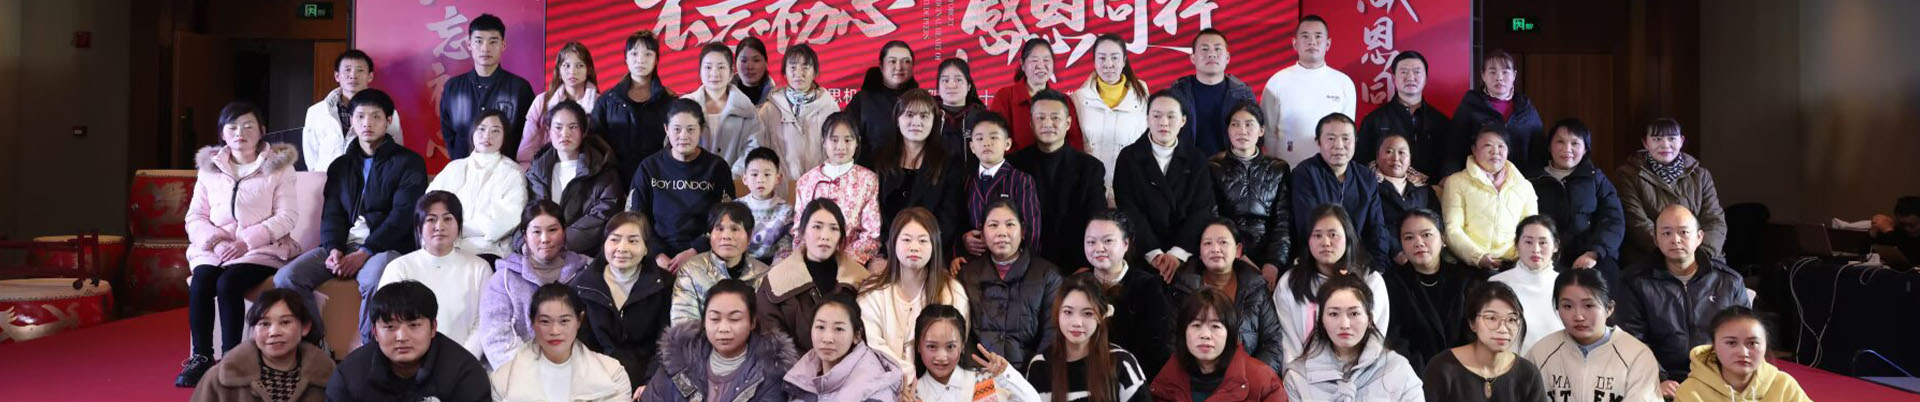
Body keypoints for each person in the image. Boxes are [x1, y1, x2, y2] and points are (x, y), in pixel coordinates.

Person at [273, 89, 426, 349]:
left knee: (375, 278)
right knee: (287, 277)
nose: (367, 123)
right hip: (344, 245)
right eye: (361, 116)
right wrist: (334, 248)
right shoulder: (341, 166)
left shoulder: (409, 163)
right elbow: (332, 214)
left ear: (388, 121)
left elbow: (402, 216)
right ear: (352, 122)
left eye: (376, 116)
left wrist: (366, 251)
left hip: (385, 247)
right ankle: (316, 345)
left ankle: (370, 350)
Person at [179, 102, 303, 387]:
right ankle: (201, 357)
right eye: (232, 127)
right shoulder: (209, 169)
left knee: (228, 283)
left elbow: (287, 216)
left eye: (248, 126)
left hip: (261, 248)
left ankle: (233, 358)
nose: (240, 133)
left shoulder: (280, 168)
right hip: (216, 248)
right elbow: (195, 216)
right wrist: (215, 241)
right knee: (202, 280)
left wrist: (247, 242)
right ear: (222, 133)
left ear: (262, 131)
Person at [1617, 205, 1751, 397]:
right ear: (1656, 239)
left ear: (1699, 237)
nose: (1675, 239)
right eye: (1667, 233)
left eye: (1683, 232)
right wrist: (1657, 379)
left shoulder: (1728, 281)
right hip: (1662, 380)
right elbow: (1632, 339)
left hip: (1719, 378)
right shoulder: (1634, 282)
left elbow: (1745, 336)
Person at [1113, 91, 1218, 282]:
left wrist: (1176, 254)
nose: (1164, 122)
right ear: (1147, 119)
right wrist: (1154, 254)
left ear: (1183, 120)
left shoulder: (1197, 159)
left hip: (1186, 254)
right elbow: (1128, 208)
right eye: (1156, 116)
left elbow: (1201, 209)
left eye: (1171, 116)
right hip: (1141, 251)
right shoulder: (1129, 157)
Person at [328, 281, 491, 401]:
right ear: (375, 332)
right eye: (390, 327)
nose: (402, 337)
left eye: (414, 325)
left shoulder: (463, 372)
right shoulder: (350, 375)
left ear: (433, 328)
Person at [641, 279, 799, 402]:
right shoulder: (678, 358)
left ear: (752, 322)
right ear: (704, 321)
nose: (723, 328)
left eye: (734, 319)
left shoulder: (772, 371)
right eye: (715, 319)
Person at [375, 191, 492, 356]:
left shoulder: (480, 268)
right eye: (431, 219)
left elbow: (484, 322)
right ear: (419, 226)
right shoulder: (399, 268)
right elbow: (386, 321)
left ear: (459, 225)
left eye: (448, 219)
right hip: (409, 361)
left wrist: (462, 361)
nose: (439, 227)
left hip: (464, 361)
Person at [480, 201, 593, 366]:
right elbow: (495, 338)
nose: (545, 239)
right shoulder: (504, 279)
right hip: (521, 372)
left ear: (564, 232)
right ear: (525, 236)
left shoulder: (585, 272)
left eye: (552, 230)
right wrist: (534, 372)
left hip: (577, 368)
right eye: (536, 232)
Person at [1273, 204, 1390, 362]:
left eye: (1333, 235)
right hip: (1303, 371)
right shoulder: (1290, 282)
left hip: (1360, 371)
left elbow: (1374, 340)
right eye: (1317, 235)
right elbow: (1287, 342)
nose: (1326, 242)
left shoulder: (1370, 281)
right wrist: (1296, 373)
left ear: (1348, 236)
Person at [1524, 269, 1661, 402]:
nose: (1578, 316)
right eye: (1567, 306)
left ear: (1609, 308)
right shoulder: (1540, 353)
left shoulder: (1637, 355)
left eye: (1589, 306)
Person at [568, 211, 672, 387]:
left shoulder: (665, 284)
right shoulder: (582, 286)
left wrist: (651, 384)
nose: (622, 248)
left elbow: (666, 342)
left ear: (646, 248)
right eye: (614, 240)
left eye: (633, 241)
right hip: (596, 381)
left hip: (649, 380)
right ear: (604, 244)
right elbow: (579, 346)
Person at [1169, 219, 1287, 373]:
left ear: (1238, 251)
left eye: (1223, 242)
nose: (1215, 249)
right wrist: (1203, 377)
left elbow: (1272, 343)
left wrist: (1251, 377)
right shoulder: (1183, 288)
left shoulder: (1256, 286)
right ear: (1200, 252)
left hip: (1248, 378)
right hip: (1196, 378)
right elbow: (1172, 342)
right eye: (1207, 243)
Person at [631, 99, 737, 271]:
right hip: (654, 257)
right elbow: (636, 218)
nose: (683, 136)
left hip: (706, 255)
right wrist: (657, 254)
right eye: (677, 129)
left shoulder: (717, 168)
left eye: (691, 129)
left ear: (701, 130)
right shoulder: (649, 167)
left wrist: (696, 250)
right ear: (666, 129)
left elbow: (727, 218)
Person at [856, 208, 969, 367]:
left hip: (935, 378)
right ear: (893, 243)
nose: (914, 247)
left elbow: (955, 347)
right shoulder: (872, 291)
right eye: (907, 240)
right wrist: (904, 373)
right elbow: (871, 344)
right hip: (880, 378)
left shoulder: (952, 292)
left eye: (923, 241)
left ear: (934, 245)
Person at [1009, 89, 1108, 270]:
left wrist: (1087, 266)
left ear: (1068, 123)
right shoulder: (1013, 165)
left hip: (1077, 266)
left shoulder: (1090, 168)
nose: (1048, 123)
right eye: (1040, 118)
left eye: (1055, 118)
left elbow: (1097, 220)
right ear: (1031, 123)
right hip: (1024, 264)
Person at [959, 200, 1064, 369]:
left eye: (1010, 224)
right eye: (993, 225)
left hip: (1029, 376)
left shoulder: (1047, 275)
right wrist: (977, 372)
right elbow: (962, 333)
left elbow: (1052, 333)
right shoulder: (967, 274)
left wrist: (1034, 372)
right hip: (979, 375)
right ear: (982, 233)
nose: (1002, 232)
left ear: (1023, 231)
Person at [1281, 276, 1421, 401]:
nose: (1344, 324)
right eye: (1334, 314)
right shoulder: (1298, 377)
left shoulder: (1397, 369)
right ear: (1321, 320)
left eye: (1354, 313)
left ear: (1370, 319)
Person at [1381, 209, 1488, 371]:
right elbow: (1394, 338)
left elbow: (1476, 333)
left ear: (1443, 239)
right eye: (1409, 237)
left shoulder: (1465, 280)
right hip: (1414, 374)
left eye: (1426, 235)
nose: (1418, 243)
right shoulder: (1391, 283)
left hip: (1464, 371)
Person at [757, 199, 872, 349]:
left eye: (833, 228)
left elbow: (867, 337)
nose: (825, 236)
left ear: (841, 236)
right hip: (795, 364)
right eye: (817, 227)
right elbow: (772, 345)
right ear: (802, 232)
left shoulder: (861, 281)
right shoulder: (774, 283)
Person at [489, 284, 632, 401]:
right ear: (532, 322)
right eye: (545, 321)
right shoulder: (502, 381)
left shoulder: (612, 374)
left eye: (564, 321)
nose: (555, 331)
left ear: (579, 320)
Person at [1528, 118, 1626, 286]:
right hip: (1544, 256)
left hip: (1591, 255)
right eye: (1560, 142)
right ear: (1549, 146)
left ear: (1585, 148)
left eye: (1575, 143)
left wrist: (1594, 253)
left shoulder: (1596, 179)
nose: (1567, 149)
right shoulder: (1532, 180)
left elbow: (1613, 219)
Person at [188, 289, 334, 401]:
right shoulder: (219, 378)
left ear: (305, 327)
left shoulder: (327, 377)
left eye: (285, 322)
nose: (274, 332)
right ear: (253, 330)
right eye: (265, 324)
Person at [1080, 211, 1177, 380]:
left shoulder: (1148, 286)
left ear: (1126, 244)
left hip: (1132, 379)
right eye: (1091, 242)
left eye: (1108, 241)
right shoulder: (1078, 284)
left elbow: (1154, 349)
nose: (1098, 248)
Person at [1289, 113, 1393, 267]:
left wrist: (1377, 266)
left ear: (1355, 141)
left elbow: (1377, 227)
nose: (1338, 145)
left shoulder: (1366, 176)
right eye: (1331, 138)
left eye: (1346, 138)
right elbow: (1307, 225)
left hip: (1359, 261)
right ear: (1318, 142)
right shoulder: (1305, 173)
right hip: (1318, 259)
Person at [1615, 119, 1726, 263]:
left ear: (1681, 141)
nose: (1665, 145)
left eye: (1672, 138)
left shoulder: (1701, 176)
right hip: (1651, 258)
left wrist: (1699, 254)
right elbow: (1636, 222)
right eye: (1657, 139)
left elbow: (1714, 220)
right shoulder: (1627, 175)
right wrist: (1674, 254)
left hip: (1702, 256)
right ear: (1645, 143)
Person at [1148, 288, 1287, 402]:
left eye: (1215, 326)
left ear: (1230, 333)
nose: (1205, 335)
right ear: (1183, 332)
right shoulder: (1165, 382)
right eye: (1196, 325)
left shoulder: (1264, 382)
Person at [1026, 276, 1150, 402]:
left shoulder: (1121, 362)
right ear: (1057, 314)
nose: (1077, 323)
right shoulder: (1039, 365)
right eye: (1068, 312)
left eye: (1087, 313)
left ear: (1101, 316)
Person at [1421, 282, 1550, 401]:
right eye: (1492, 318)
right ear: (1472, 323)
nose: (1502, 329)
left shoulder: (1528, 374)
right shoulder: (1442, 368)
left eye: (1511, 319)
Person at [873, 89, 968, 250]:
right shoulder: (879, 160)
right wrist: (888, 249)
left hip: (929, 250)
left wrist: (920, 247)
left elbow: (949, 219)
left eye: (924, 116)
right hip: (884, 251)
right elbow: (873, 213)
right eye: (909, 115)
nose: (916, 122)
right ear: (897, 119)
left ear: (934, 122)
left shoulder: (948, 164)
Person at [526, 100, 625, 255]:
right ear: (549, 131)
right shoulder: (536, 170)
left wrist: (559, 243)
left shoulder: (603, 170)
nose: (565, 134)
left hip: (584, 254)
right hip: (539, 252)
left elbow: (601, 217)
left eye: (572, 127)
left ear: (583, 132)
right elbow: (524, 213)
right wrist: (525, 244)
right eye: (558, 127)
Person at [427, 111, 527, 259]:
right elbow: (428, 206)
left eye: (495, 131)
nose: (487, 136)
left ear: (504, 137)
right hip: (444, 247)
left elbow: (506, 221)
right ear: (472, 132)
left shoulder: (512, 173)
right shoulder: (454, 168)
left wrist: (453, 228)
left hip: (488, 251)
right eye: (481, 129)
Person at [1260, 15, 1357, 167]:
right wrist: (1277, 167)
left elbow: (1347, 133)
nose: (1312, 42)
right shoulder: (1277, 82)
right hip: (1287, 169)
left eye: (1318, 36)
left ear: (1328, 44)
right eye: (1305, 36)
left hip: (1330, 170)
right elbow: (1268, 132)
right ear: (1295, 43)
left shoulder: (1344, 83)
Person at [1441, 127, 1540, 271]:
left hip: (1515, 264)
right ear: (1474, 150)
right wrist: (1478, 257)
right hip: (1469, 264)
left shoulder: (1524, 186)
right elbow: (1452, 229)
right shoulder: (1456, 182)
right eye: (1488, 145)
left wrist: (1519, 258)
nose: (1495, 151)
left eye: (1501, 146)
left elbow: (1532, 229)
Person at [1208, 101, 1290, 274]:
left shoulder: (1278, 168)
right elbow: (1214, 217)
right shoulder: (1213, 167)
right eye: (1235, 125)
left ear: (1261, 130)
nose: (1242, 131)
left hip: (1270, 255)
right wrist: (1239, 255)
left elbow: (1283, 222)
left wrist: (1274, 263)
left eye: (1249, 125)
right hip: (1228, 252)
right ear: (1228, 130)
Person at [440, 14, 535, 160]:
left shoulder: (520, 89)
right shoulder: (453, 88)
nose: (485, 48)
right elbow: (448, 133)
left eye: (493, 41)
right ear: (469, 45)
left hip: (505, 169)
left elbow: (529, 135)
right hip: (463, 167)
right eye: (479, 41)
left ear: (503, 45)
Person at [792, 112, 883, 263]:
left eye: (848, 140)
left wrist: (842, 262)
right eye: (834, 140)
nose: (841, 147)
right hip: (810, 261)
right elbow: (798, 231)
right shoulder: (806, 181)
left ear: (857, 142)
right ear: (823, 142)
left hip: (852, 264)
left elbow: (872, 234)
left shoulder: (869, 180)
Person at [783, 295, 906, 401]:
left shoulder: (873, 388)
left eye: (839, 329)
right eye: (820, 327)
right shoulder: (801, 372)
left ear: (857, 335)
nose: (827, 338)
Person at [1072, 34, 1150, 202]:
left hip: (1131, 190)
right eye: (1102, 58)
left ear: (1124, 61)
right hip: (1089, 190)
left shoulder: (1142, 96)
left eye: (1115, 58)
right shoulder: (1079, 98)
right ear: (1094, 61)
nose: (1108, 64)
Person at [1674, 307, 1811, 402]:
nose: (1743, 352)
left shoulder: (1784, 385)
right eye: (1731, 343)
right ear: (1714, 346)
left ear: (1765, 346)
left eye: (1752, 343)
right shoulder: (1691, 391)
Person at [669, 202, 774, 325]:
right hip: (702, 337)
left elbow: (768, 324)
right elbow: (683, 325)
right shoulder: (691, 271)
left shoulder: (764, 275)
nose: (726, 236)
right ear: (710, 235)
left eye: (735, 229)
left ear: (749, 236)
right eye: (720, 229)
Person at [1445, 49, 1542, 178]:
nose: (1499, 78)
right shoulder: (1470, 105)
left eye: (1505, 72)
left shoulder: (1526, 108)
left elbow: (1538, 148)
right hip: (1478, 179)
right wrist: (1449, 176)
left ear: (1514, 75)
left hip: (1519, 180)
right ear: (1483, 76)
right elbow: (1454, 146)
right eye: (1492, 72)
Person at [910, 304, 1039, 402]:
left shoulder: (986, 379)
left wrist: (1006, 374)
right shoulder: (912, 395)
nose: (942, 356)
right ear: (918, 346)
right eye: (932, 346)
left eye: (950, 346)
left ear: (962, 346)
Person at [594, 30, 676, 183]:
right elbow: (595, 139)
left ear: (656, 59)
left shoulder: (670, 101)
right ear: (626, 58)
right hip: (614, 182)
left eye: (648, 54)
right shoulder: (607, 100)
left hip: (658, 179)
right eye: (634, 54)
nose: (640, 60)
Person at [302, 50, 403, 172]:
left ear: (370, 76)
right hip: (326, 179)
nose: (353, 75)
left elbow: (396, 150)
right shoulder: (316, 112)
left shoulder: (386, 111)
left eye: (360, 70)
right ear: (337, 76)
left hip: (369, 179)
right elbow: (311, 154)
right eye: (347, 70)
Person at [755, 43, 838, 189]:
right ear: (785, 72)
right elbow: (760, 153)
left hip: (820, 189)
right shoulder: (769, 110)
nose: (799, 73)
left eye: (805, 67)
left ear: (815, 72)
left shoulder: (830, 109)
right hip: (780, 191)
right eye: (793, 67)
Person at [959, 112, 1043, 257]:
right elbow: (960, 222)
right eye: (979, 138)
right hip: (976, 261)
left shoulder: (1021, 180)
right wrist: (963, 240)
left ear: (1007, 144)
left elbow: (1032, 228)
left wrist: (1025, 261)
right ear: (972, 147)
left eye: (994, 137)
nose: (986, 143)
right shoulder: (967, 181)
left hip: (1013, 260)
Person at [1357, 51, 1450, 176]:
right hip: (1386, 187)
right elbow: (1361, 162)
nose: (1410, 77)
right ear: (1394, 78)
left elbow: (1450, 161)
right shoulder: (1374, 120)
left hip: (1431, 187)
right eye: (1404, 72)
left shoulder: (1441, 122)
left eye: (1417, 72)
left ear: (1426, 79)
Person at [1167, 29, 1256, 156]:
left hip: (1231, 165)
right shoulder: (1177, 93)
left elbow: (1255, 136)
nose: (1211, 54)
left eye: (1217, 49)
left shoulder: (1243, 94)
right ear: (1193, 58)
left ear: (1227, 58)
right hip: (1187, 165)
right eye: (1204, 49)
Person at [682, 41, 767, 170]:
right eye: (708, 67)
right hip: (692, 178)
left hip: (734, 180)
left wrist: (731, 175)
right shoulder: (685, 105)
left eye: (721, 67)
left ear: (731, 72)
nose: (714, 73)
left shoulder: (746, 108)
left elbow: (753, 148)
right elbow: (674, 145)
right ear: (699, 71)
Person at [991, 38, 1084, 152]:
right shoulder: (1005, 97)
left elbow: (1075, 143)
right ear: (1022, 65)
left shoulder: (1064, 101)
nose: (1041, 65)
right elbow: (996, 139)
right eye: (1034, 60)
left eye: (1046, 60)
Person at [1490, 217, 1564, 353]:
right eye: (1528, 242)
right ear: (1517, 245)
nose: (1535, 249)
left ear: (1555, 246)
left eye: (1543, 242)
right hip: (1509, 362)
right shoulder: (1497, 284)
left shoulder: (1566, 284)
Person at [518, 41, 600, 165]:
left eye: (579, 65)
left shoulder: (600, 103)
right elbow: (527, 149)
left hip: (588, 167)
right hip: (547, 167)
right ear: (559, 69)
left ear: (588, 70)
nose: (572, 71)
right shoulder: (542, 101)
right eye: (566, 65)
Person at [846, 40, 920, 158]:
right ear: (881, 66)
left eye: (906, 61)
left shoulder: (921, 101)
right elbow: (847, 138)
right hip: (870, 167)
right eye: (892, 61)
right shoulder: (862, 100)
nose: (899, 67)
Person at [1374, 132, 1438, 262]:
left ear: (1410, 159)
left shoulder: (1423, 188)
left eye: (1402, 153)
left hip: (1424, 253)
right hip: (1385, 256)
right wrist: (1396, 250)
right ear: (1377, 157)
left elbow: (1436, 219)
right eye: (1389, 152)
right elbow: (1372, 224)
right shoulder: (1368, 186)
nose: (1396, 158)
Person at [736, 149, 794, 262]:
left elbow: (785, 247)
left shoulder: (786, 210)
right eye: (754, 174)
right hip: (741, 262)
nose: (761, 180)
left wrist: (774, 269)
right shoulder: (736, 207)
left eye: (767, 174)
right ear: (745, 179)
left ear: (778, 178)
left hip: (773, 264)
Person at [933, 58, 987, 164]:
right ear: (938, 87)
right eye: (945, 80)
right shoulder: (927, 115)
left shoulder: (982, 118)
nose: (951, 85)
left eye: (958, 80)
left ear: (969, 86)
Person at [1871, 197, 1920, 262]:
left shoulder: (1891, 233)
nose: (1907, 229)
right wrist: (1872, 235)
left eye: (1912, 225)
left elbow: (1911, 258)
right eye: (1902, 224)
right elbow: (1865, 255)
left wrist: (1888, 230)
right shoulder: (1897, 231)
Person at [732, 36, 777, 105]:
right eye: (744, 61)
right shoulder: (723, 93)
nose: (749, 67)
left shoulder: (777, 100)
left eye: (756, 60)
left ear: (766, 63)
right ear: (735, 62)